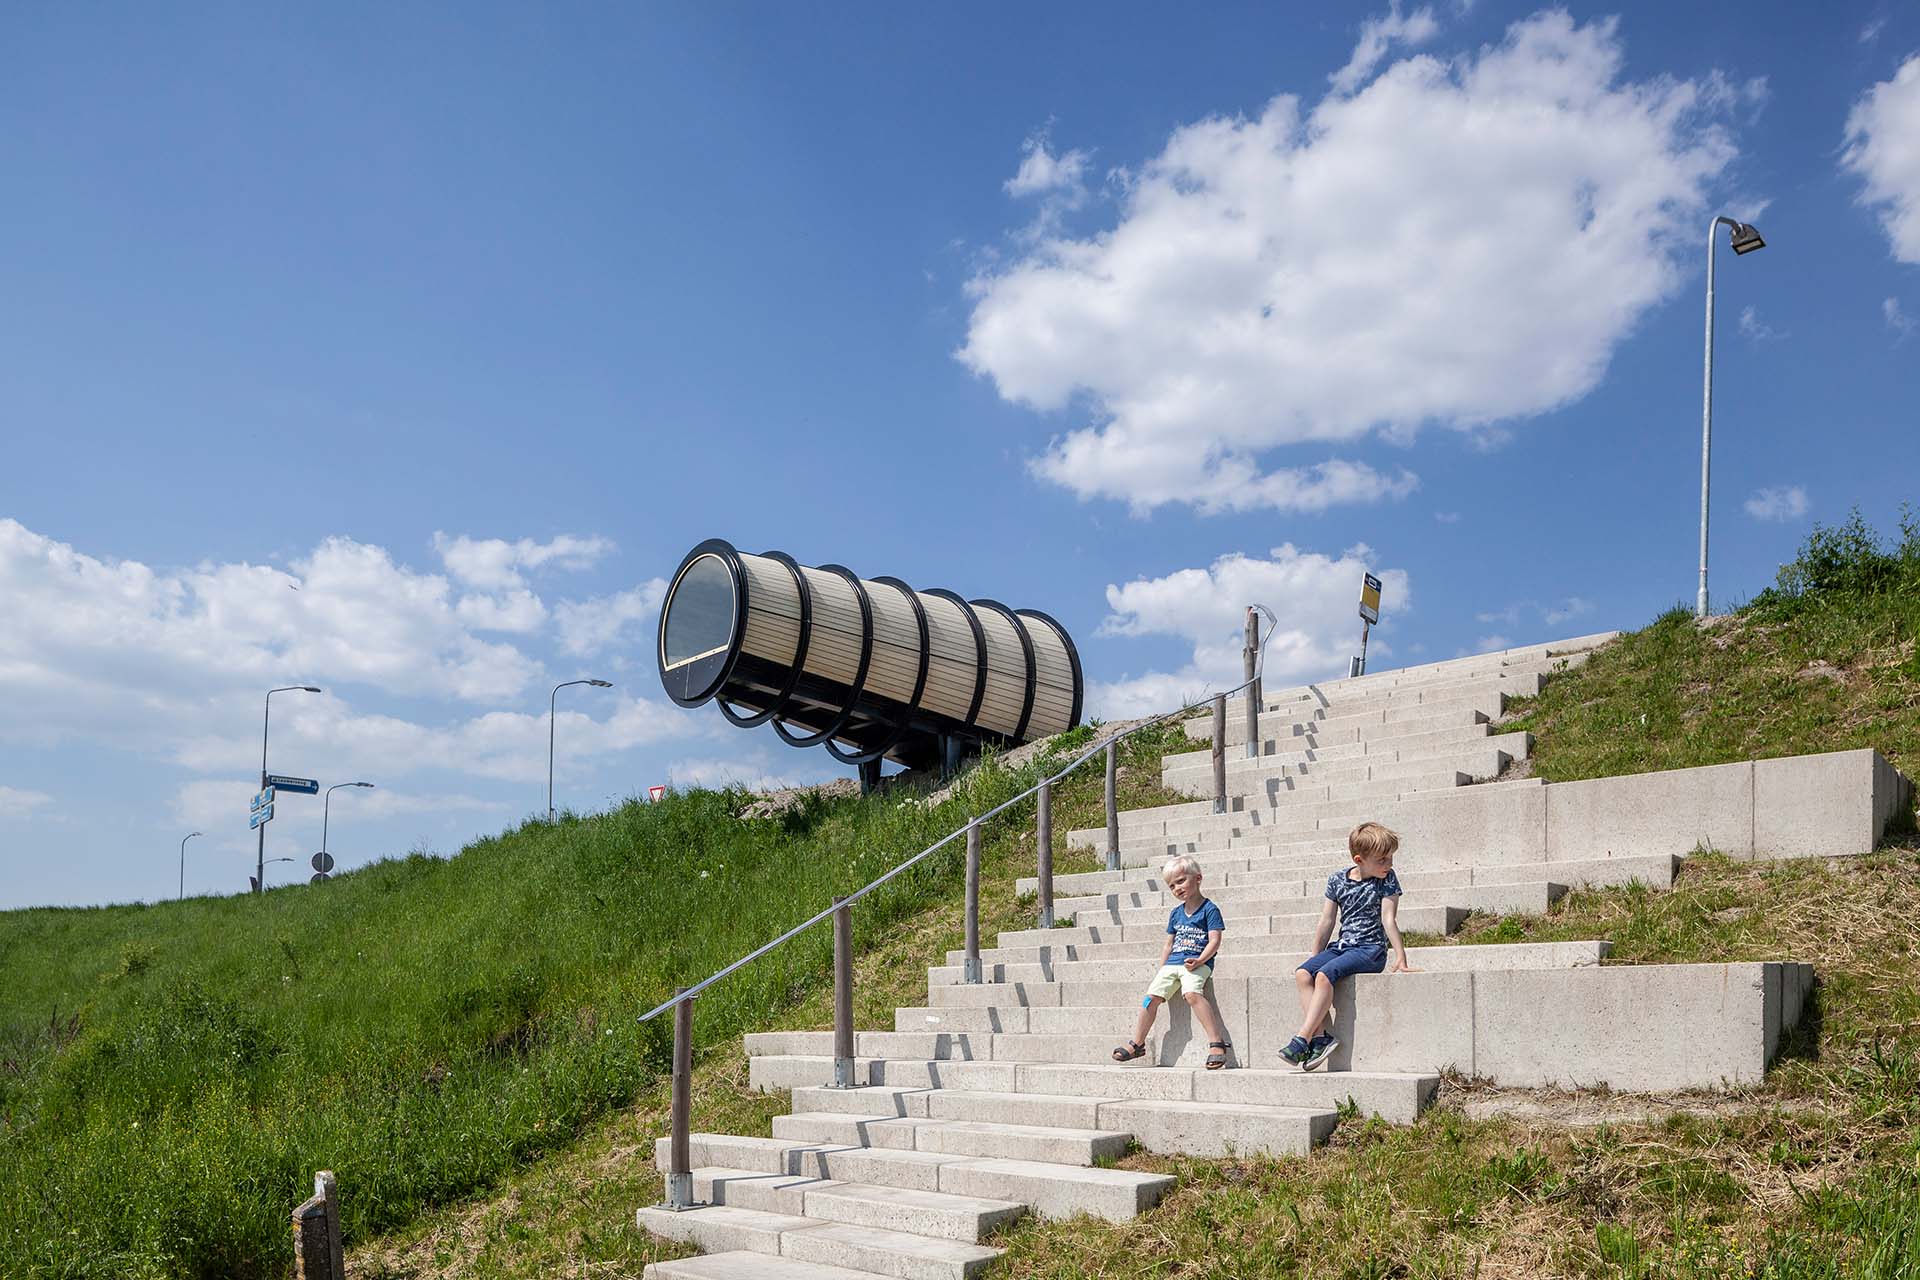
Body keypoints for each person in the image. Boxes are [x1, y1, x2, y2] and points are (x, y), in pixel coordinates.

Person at [1278, 821, 1416, 1071]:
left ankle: (1302, 1038)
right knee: (1302, 973)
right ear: (1359, 859)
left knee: (1324, 976)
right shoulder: (1337, 880)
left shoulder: (1387, 880)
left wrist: (1400, 956)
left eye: (1390, 858)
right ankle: (1321, 1039)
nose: (1389, 865)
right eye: (1382, 860)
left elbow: (1388, 919)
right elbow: (1327, 920)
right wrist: (1314, 955)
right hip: (1342, 946)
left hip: (1370, 950)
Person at [1111, 854, 1233, 1070]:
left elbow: (1215, 940)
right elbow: (1169, 944)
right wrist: (1163, 967)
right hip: (1172, 965)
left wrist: (1200, 960)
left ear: (1198, 878)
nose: (1177, 888)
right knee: (1150, 998)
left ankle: (1217, 1043)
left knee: (1192, 994)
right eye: (1171, 886)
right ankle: (1137, 1043)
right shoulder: (1176, 914)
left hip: (1197, 963)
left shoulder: (1209, 909)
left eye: (1181, 881)